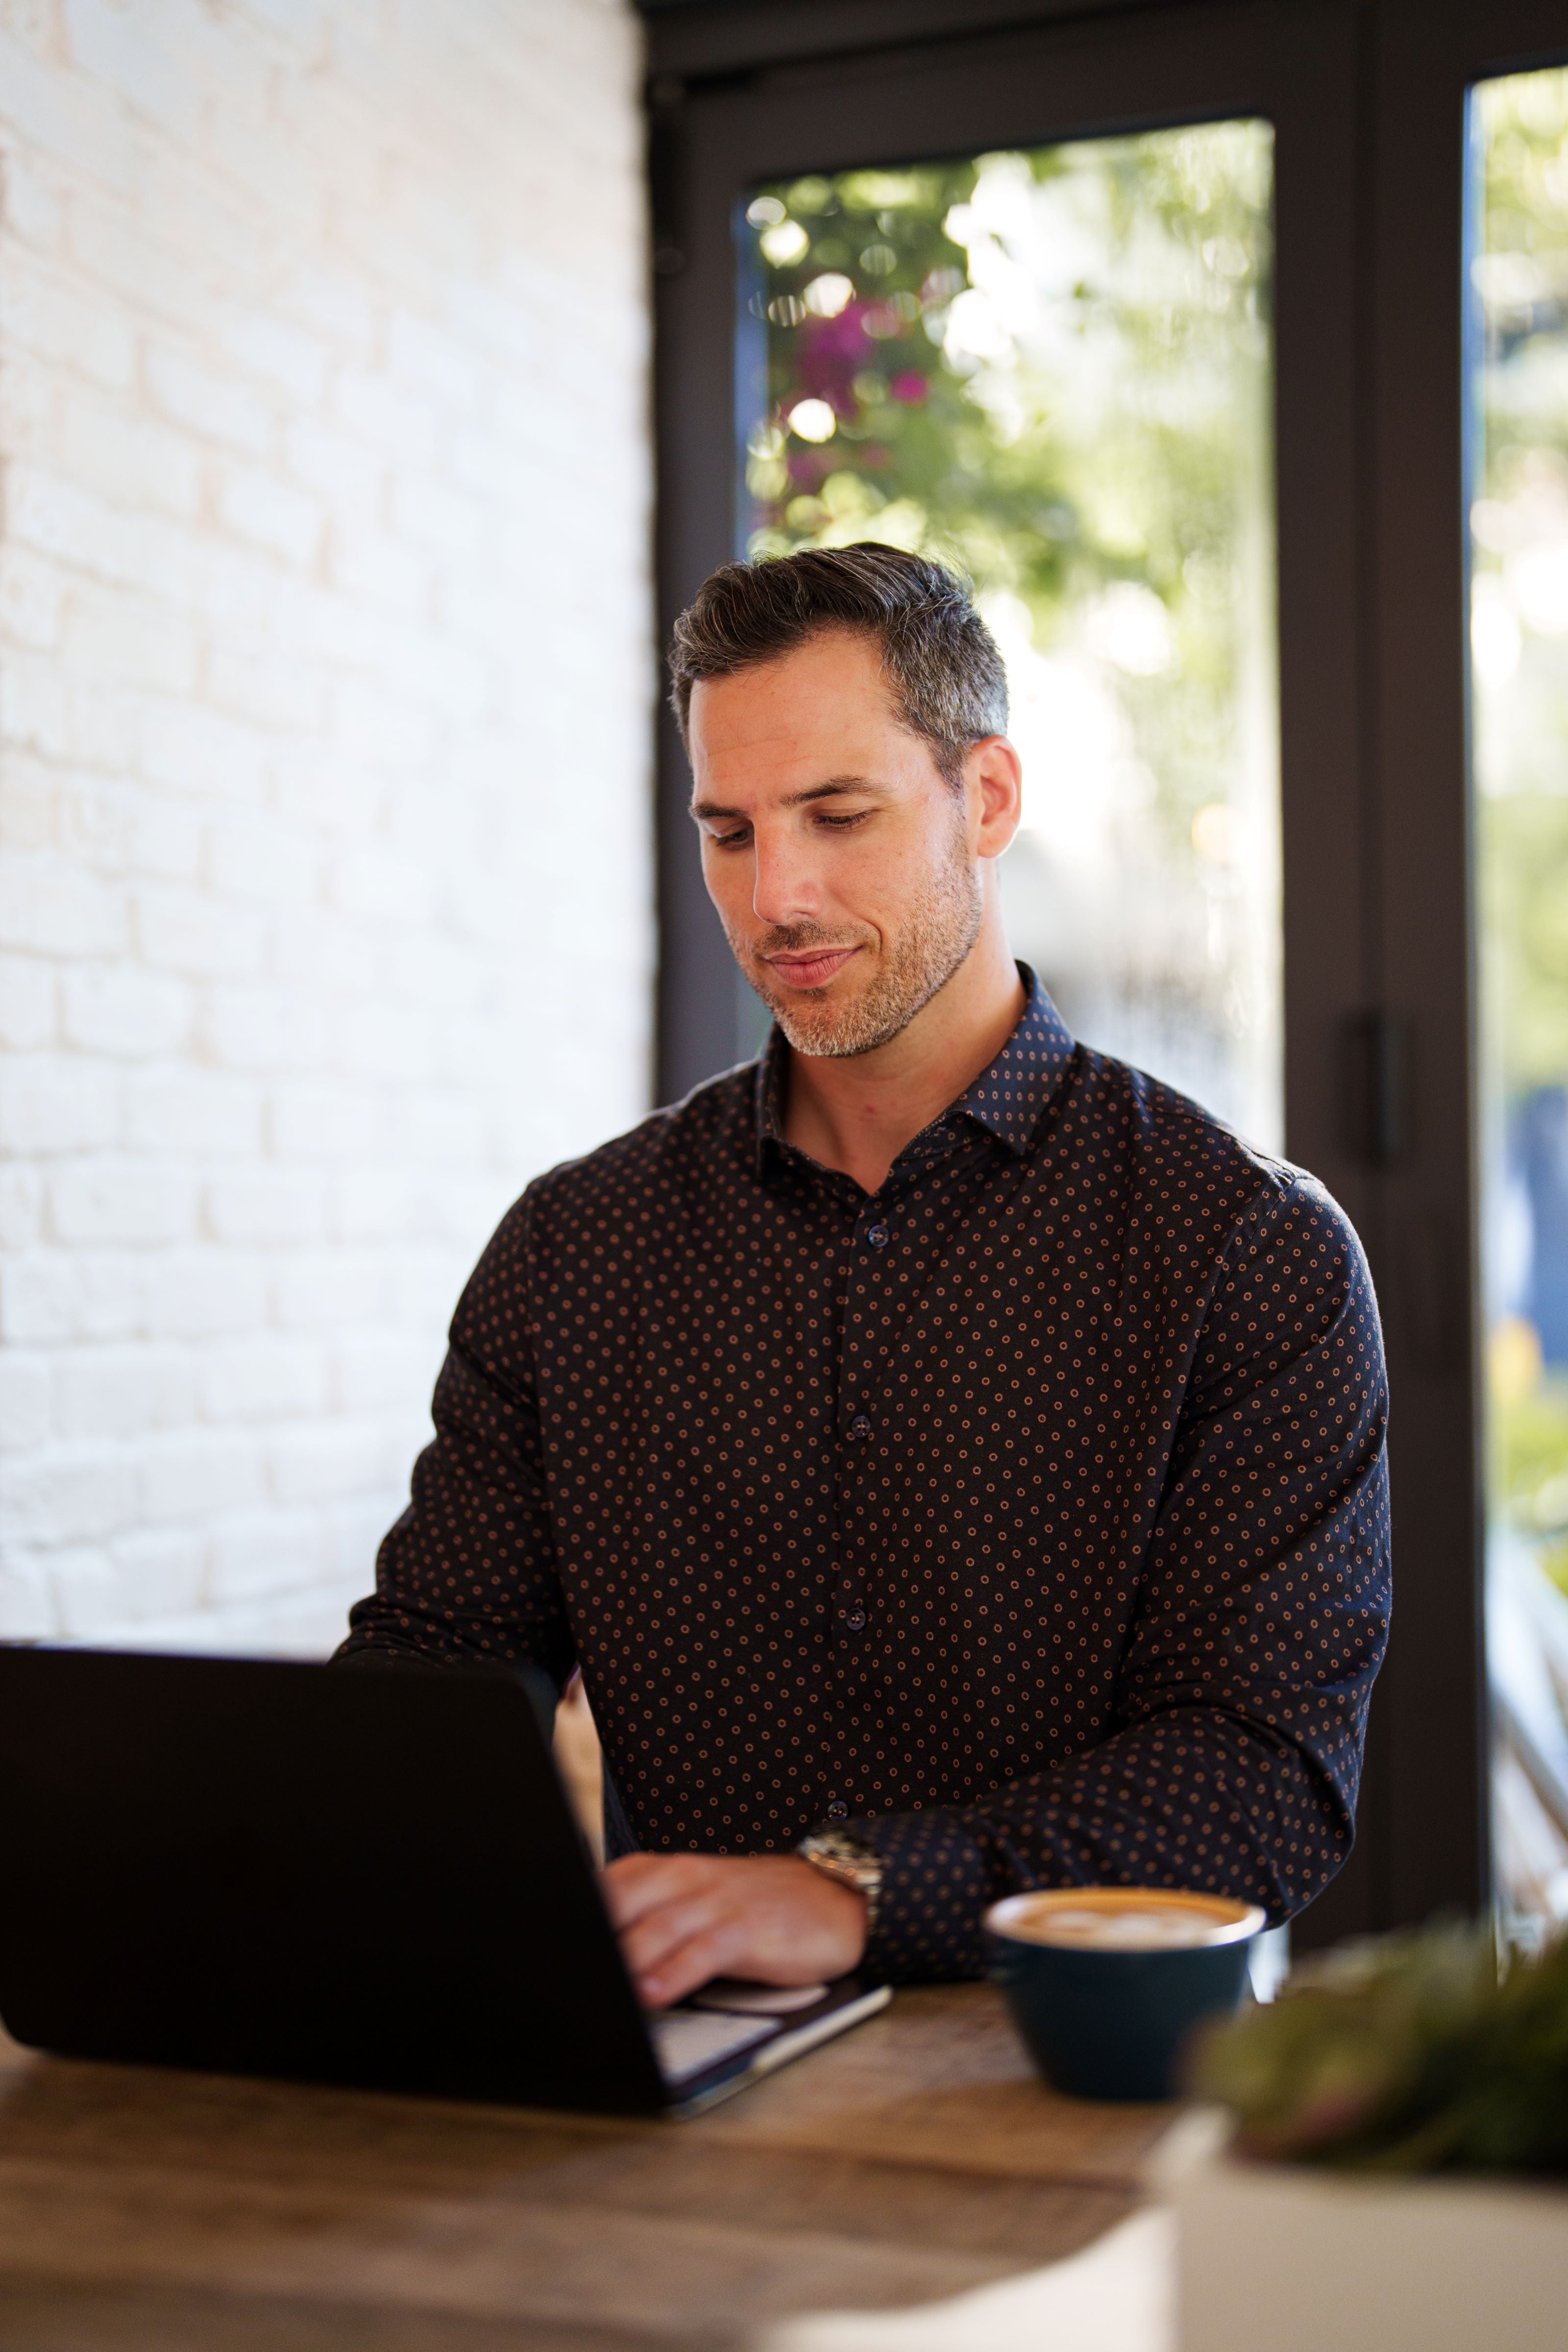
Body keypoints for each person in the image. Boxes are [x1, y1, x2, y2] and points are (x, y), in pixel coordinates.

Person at [340, 544, 1390, 2011]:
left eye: (839, 815)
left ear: (991, 799)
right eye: (729, 832)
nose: (779, 897)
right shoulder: (574, 1247)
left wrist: (854, 1896)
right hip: (679, 2074)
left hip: (1070, 2080)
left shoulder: (1244, 1252)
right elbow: (433, 1687)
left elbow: (1259, 1781)